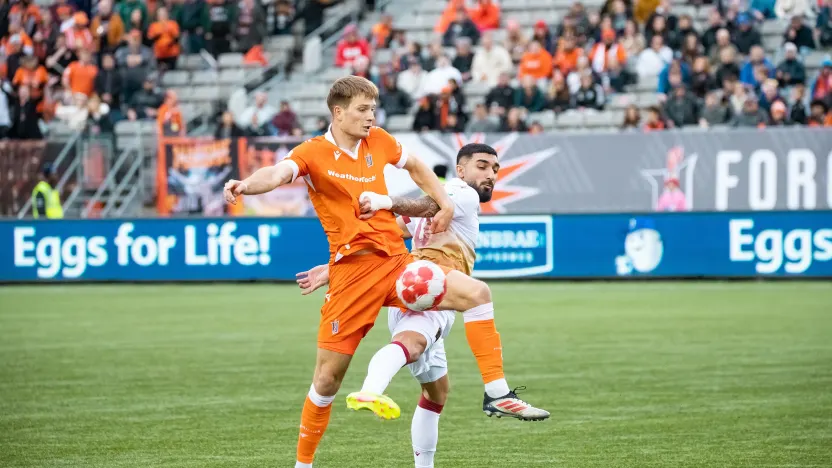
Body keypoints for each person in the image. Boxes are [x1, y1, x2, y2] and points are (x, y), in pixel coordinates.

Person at [223, 77, 515, 468]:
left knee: (477, 294)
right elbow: (276, 174)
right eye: (363, 109)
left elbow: (415, 165)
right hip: (352, 275)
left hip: (397, 264)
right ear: (338, 112)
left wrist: (443, 201)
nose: (371, 116)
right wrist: (245, 185)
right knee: (327, 381)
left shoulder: (378, 140)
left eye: (374, 109)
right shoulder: (311, 152)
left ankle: (496, 392)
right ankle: (303, 465)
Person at [295, 144, 550, 467]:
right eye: (482, 166)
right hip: (431, 286)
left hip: (405, 285)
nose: (490, 175)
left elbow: (390, 236)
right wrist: (386, 201)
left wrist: (332, 269)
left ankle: (418, 454)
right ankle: (495, 393)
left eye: (495, 169)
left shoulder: (450, 196)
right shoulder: (462, 193)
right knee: (464, 306)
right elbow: (430, 206)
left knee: (436, 391)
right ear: (460, 170)